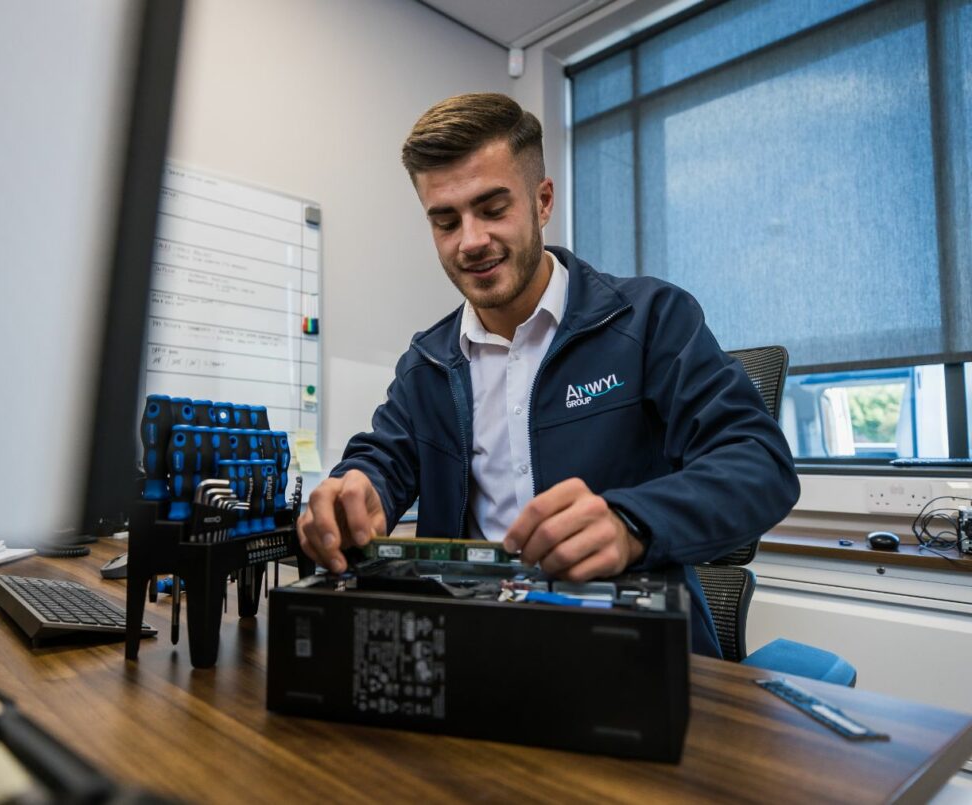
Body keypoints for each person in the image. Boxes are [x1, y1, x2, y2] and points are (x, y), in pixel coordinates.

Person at [297, 93, 799, 657]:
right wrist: (357, 488)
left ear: (542, 201)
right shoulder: (427, 362)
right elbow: (385, 458)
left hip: (627, 649)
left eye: (492, 209)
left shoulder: (651, 319)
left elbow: (759, 463)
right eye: (445, 221)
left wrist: (630, 524)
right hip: (475, 650)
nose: (470, 241)